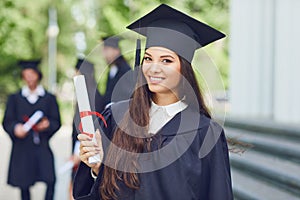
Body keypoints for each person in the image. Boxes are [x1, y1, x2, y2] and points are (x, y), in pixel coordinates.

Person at [73, 4, 233, 200]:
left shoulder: (205, 133)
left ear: (184, 69)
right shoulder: (119, 117)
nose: (154, 68)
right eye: (148, 58)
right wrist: (97, 168)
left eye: (166, 61)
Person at [2, 59, 61, 200]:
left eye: (32, 74)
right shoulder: (15, 98)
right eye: (26, 75)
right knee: (24, 182)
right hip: (22, 148)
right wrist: (16, 128)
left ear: (38, 75)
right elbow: (7, 121)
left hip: (42, 145)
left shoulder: (48, 98)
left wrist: (47, 126)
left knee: (50, 179)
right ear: (22, 77)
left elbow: (56, 121)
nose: (29, 78)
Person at [69, 58, 104, 199]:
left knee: (78, 187)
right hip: (84, 148)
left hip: (88, 149)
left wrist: (79, 150)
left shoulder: (90, 96)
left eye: (76, 72)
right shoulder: (91, 93)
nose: (74, 76)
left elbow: (88, 127)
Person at [101, 36, 135, 110]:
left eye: (106, 50)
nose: (104, 54)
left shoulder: (125, 71)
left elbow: (128, 96)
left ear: (116, 51)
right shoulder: (112, 70)